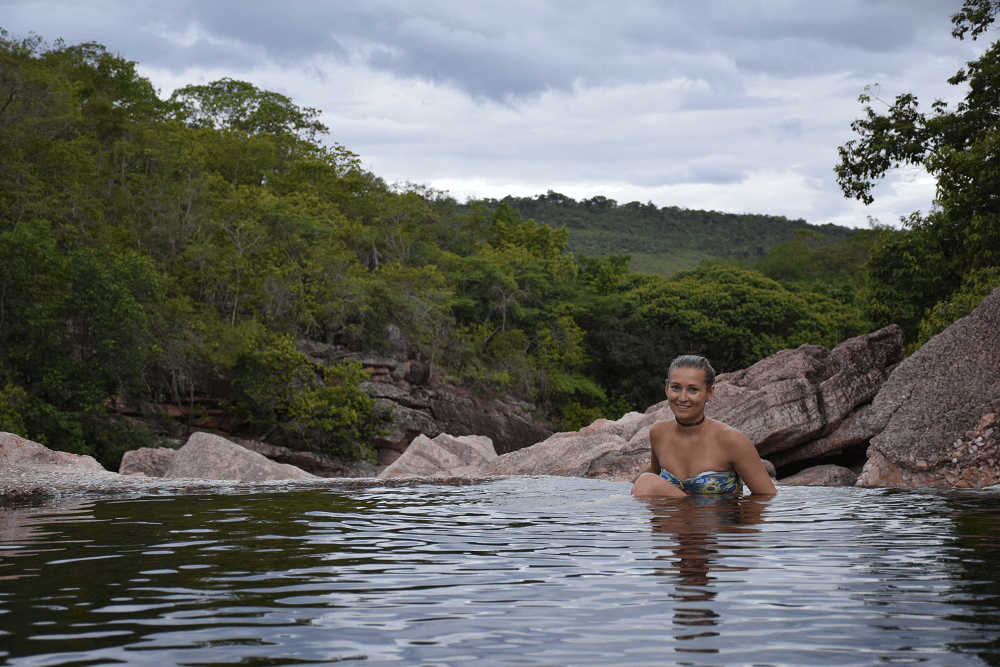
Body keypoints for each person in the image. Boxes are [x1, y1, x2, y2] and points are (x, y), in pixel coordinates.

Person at [632, 355, 777, 498]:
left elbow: (767, 498)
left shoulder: (732, 441)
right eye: (675, 387)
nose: (682, 398)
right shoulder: (659, 433)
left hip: (713, 518)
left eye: (693, 389)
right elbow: (655, 472)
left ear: (710, 393)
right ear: (666, 388)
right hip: (672, 519)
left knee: (646, 483)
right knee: (645, 482)